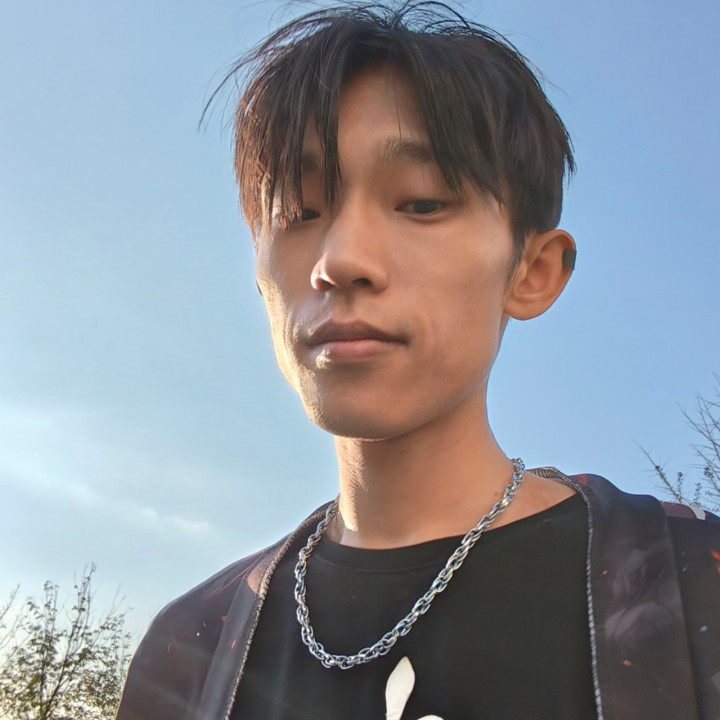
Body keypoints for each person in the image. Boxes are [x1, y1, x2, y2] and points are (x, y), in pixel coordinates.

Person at [115, 3, 720, 719]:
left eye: (422, 203)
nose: (340, 261)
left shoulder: (688, 584)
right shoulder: (189, 650)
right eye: (298, 212)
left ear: (532, 271)